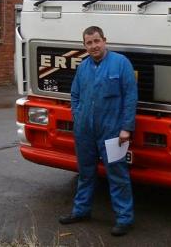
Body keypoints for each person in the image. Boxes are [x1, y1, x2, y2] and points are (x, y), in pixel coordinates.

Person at [59, 26, 138, 237]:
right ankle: (81, 210)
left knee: (117, 175)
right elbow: (74, 95)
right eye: (89, 43)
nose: (93, 46)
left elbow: (130, 97)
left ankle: (124, 219)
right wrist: (78, 116)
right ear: (84, 46)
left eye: (96, 41)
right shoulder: (83, 67)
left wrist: (126, 128)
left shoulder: (121, 63)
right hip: (85, 131)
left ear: (104, 40)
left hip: (113, 132)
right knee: (85, 173)